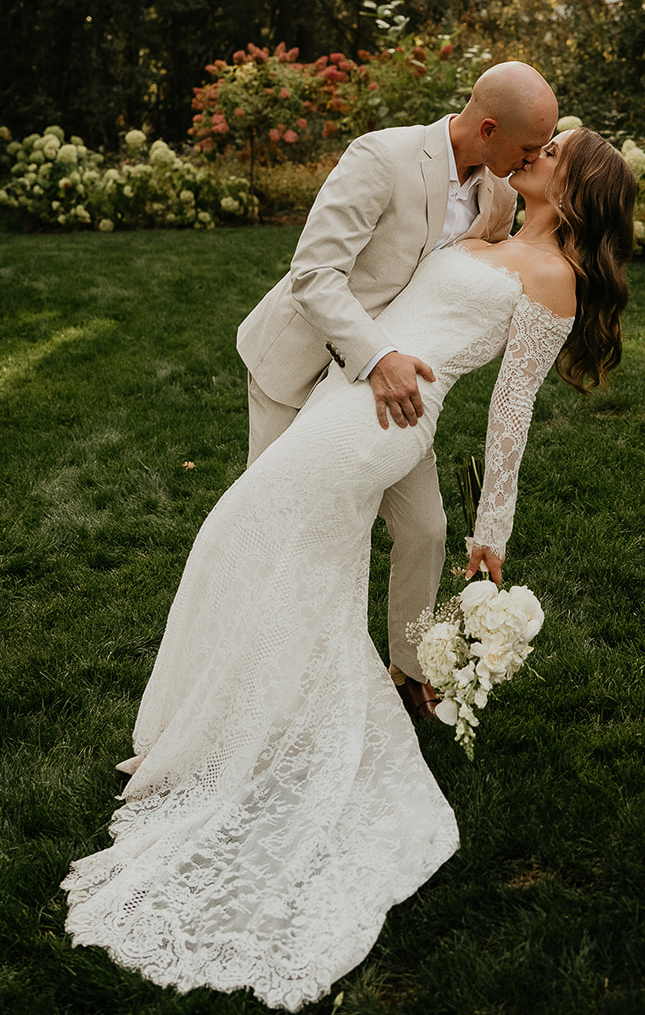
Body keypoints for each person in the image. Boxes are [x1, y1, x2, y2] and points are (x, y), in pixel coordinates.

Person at [61, 126, 638, 1011]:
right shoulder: (487, 222)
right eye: (535, 139)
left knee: (241, 529)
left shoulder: (552, 278)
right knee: (277, 555)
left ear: (579, 186)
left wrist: (496, 529)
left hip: (387, 423)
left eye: (551, 149)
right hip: (349, 389)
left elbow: (510, 417)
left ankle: (224, 739)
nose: (533, 151)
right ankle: (212, 733)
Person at [236, 61, 559, 716]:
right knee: (274, 533)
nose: (532, 160)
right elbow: (313, 275)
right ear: (488, 128)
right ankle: (252, 689)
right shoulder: (381, 157)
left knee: (426, 528)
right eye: (527, 148)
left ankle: (410, 675)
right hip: (296, 370)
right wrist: (377, 353)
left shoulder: (496, 194)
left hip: (381, 395)